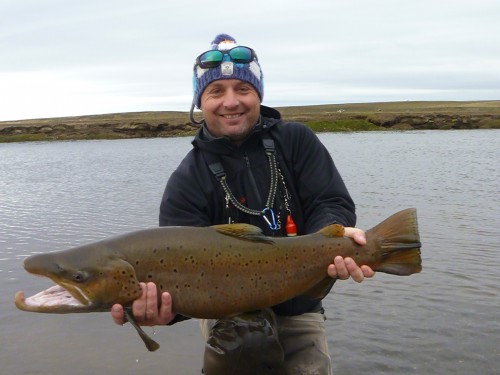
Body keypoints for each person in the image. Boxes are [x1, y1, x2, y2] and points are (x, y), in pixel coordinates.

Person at [111, 33, 374, 374]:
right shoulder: (186, 180)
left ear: (258, 95)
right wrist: (166, 312)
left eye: (243, 89)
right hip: (227, 319)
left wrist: (332, 240)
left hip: (300, 307)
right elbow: (176, 270)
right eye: (216, 91)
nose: (231, 102)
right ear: (199, 102)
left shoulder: (296, 141)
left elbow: (330, 200)